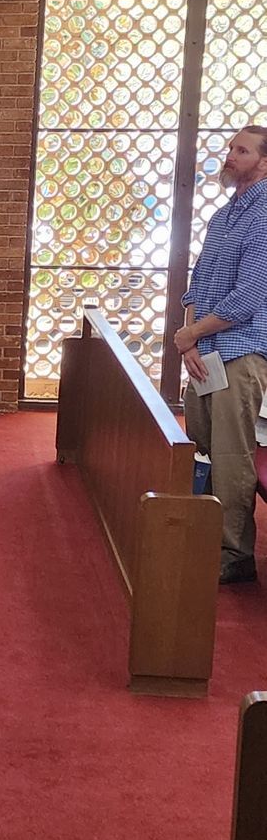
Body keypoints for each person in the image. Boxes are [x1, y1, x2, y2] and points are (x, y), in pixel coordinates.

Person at [174, 124, 267, 585]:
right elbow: (200, 277)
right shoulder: (226, 214)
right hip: (206, 350)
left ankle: (235, 554)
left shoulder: (264, 212)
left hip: (240, 350)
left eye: (241, 150)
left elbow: (250, 295)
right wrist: (190, 336)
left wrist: (194, 332)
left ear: (264, 163)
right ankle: (208, 533)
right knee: (205, 447)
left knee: (232, 454)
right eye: (231, 147)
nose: (230, 155)